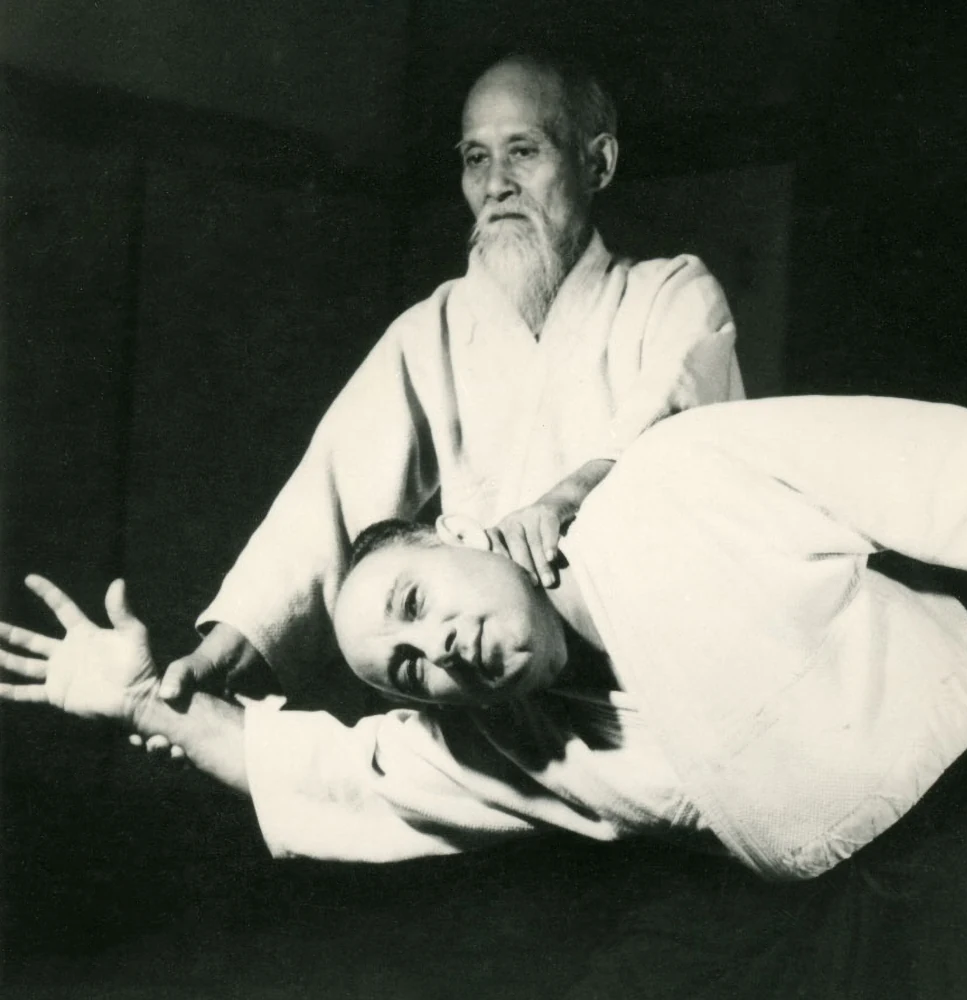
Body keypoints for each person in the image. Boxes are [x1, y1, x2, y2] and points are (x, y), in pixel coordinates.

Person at [3, 395, 967, 995]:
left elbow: (905, 458)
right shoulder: (499, 742)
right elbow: (329, 771)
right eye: (409, 669)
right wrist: (141, 700)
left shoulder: (674, 479)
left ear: (464, 534)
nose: (442, 650)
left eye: (418, 601)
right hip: (848, 931)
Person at [156, 50, 744, 713]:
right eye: (475, 158)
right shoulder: (430, 330)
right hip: (498, 691)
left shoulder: (671, 292)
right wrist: (223, 653)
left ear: (597, 163)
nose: (495, 185)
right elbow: (327, 498)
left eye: (523, 152)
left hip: (657, 675)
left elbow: (671, 426)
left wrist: (566, 498)